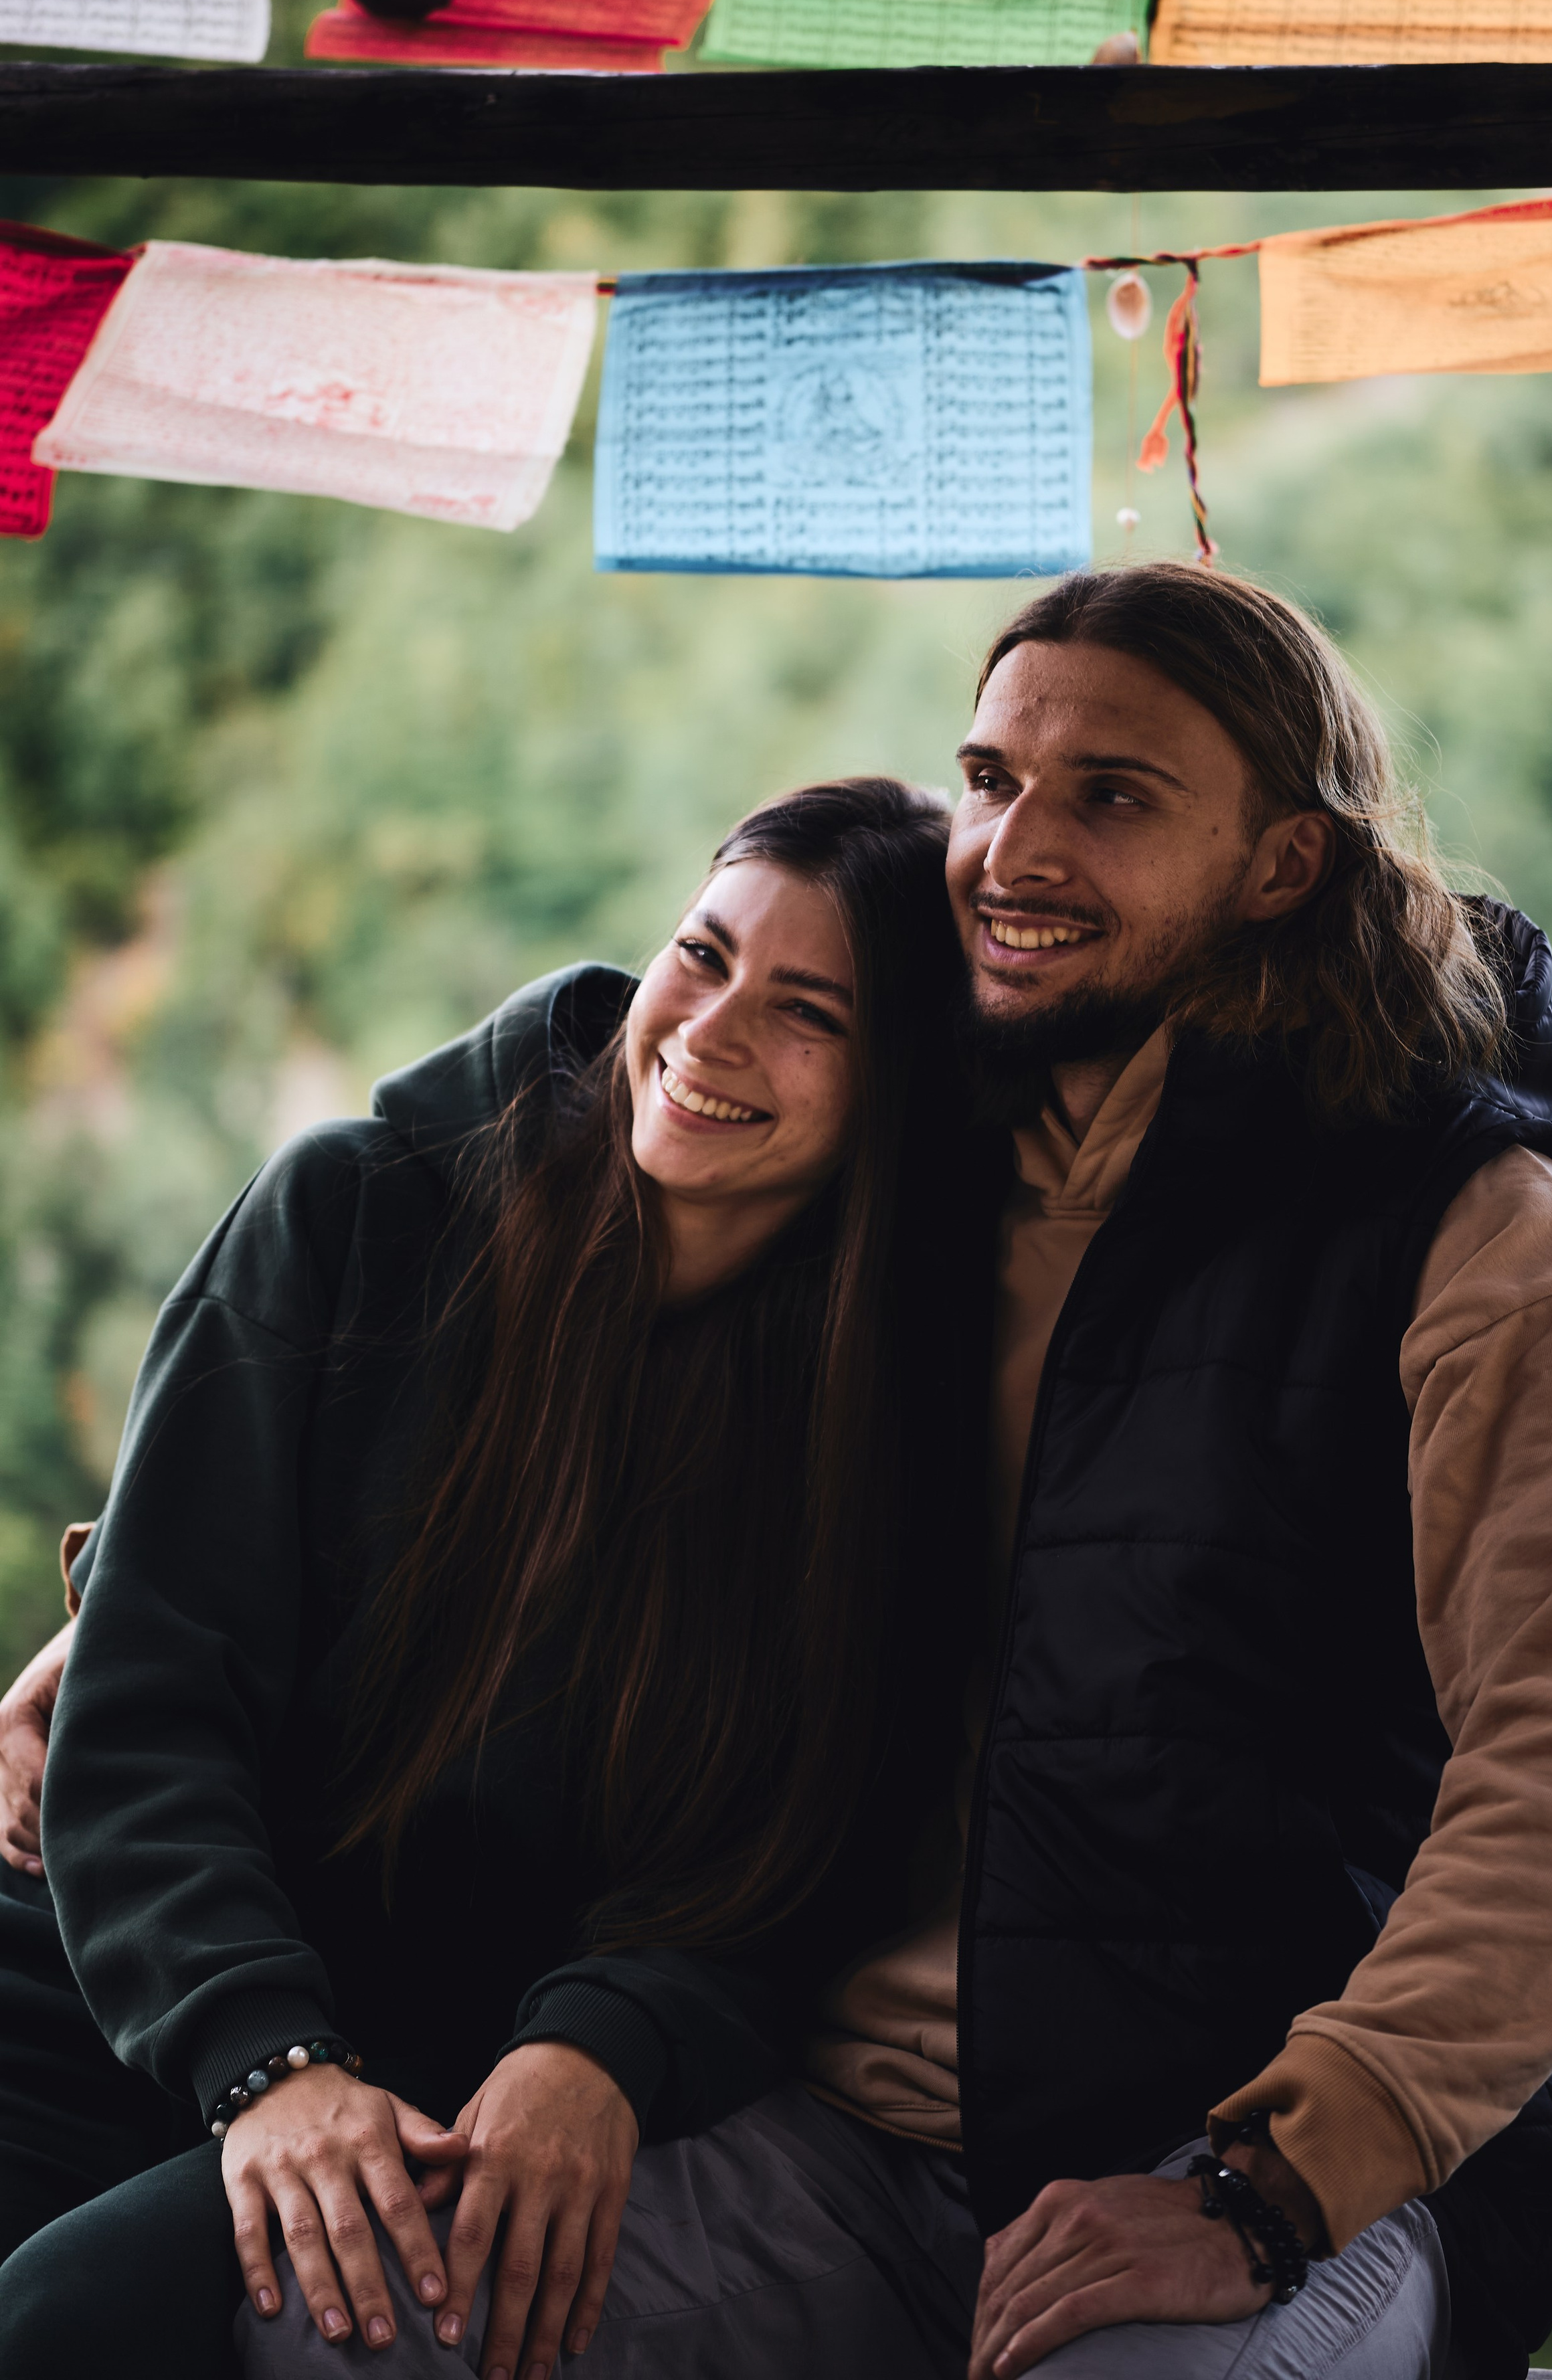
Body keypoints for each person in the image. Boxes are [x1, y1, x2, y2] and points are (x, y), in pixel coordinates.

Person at [7, 561, 1552, 2380]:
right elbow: (620, 1118)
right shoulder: (920, 1169)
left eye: (1113, 798)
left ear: (1286, 863)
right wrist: (129, 1615)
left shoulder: (1468, 1231)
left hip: (1259, 2162)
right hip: (834, 2128)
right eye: (990, 780)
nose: (1017, 849)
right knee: (323, 2339)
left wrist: (1285, 2177)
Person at [0, 775, 980, 2380]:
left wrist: (607, 2044)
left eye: (810, 1014)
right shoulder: (352, 1211)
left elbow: (797, 1854)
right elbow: (153, 1694)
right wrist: (266, 2059)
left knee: (64, 2328)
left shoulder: (882, 1428)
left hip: (442, 2062)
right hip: (141, 1963)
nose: (713, 1032)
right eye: (703, 954)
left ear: (904, 1083)